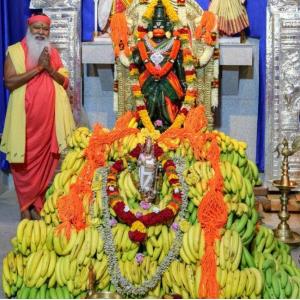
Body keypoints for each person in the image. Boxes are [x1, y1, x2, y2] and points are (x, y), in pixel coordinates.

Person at [0, 13, 75, 220]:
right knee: (21, 162)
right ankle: (25, 206)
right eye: (37, 28)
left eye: (45, 29)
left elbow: (65, 82)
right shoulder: (15, 51)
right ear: (29, 29)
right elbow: (10, 82)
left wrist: (49, 68)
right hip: (23, 121)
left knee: (47, 162)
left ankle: (36, 204)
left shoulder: (52, 53)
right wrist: (39, 69)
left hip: (49, 120)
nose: (41, 32)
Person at [132, 0, 186, 130]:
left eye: (161, 25)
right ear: (150, 26)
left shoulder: (174, 43)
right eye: (155, 25)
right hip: (149, 80)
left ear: (168, 26)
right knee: (152, 102)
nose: (158, 28)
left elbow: (178, 64)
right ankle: (147, 125)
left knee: (167, 103)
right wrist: (136, 52)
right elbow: (137, 62)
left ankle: (168, 126)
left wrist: (183, 82)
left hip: (168, 80)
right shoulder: (144, 42)